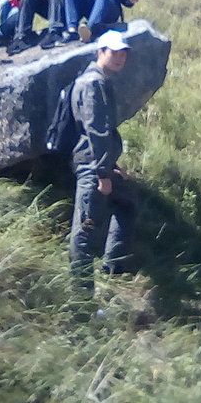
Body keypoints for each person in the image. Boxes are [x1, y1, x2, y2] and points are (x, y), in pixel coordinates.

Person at [69, 30, 136, 297]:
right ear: (101, 52)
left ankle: (113, 269)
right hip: (92, 166)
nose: (120, 58)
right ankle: (81, 300)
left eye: (123, 53)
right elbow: (96, 130)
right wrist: (103, 173)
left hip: (99, 163)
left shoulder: (98, 80)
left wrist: (111, 166)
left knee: (128, 201)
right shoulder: (92, 84)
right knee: (83, 234)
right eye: (114, 52)